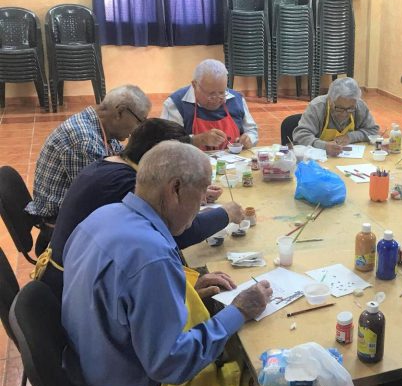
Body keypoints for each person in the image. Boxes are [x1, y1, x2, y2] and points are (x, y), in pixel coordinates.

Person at [61, 141, 315, 386]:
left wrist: (182, 283)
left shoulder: (105, 216)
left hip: (91, 373)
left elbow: (123, 294)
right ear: (176, 189)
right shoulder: (150, 257)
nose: (199, 211)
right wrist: (238, 311)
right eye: (201, 196)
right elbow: (172, 365)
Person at [37, 118, 245, 300]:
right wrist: (225, 213)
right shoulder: (125, 185)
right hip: (71, 290)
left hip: (79, 280)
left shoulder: (113, 165)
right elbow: (177, 233)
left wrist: (191, 191)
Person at [26, 85, 150, 248]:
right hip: (59, 231)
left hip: (72, 216)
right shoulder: (84, 141)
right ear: (120, 112)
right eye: (140, 121)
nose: (137, 130)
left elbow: (123, 162)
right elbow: (97, 198)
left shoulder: (103, 128)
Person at [162, 59, 259, 150]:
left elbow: (252, 131)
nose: (217, 99)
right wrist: (198, 140)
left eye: (221, 93)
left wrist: (249, 139)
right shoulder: (176, 104)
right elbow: (166, 145)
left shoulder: (236, 100)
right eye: (211, 94)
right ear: (195, 85)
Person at [292, 77, 379, 156]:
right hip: (320, 160)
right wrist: (324, 146)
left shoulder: (359, 106)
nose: (344, 114)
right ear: (330, 100)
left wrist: (350, 137)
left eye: (350, 109)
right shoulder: (317, 106)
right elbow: (300, 135)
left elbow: (373, 131)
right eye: (339, 108)